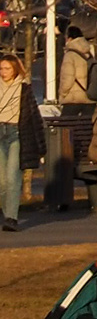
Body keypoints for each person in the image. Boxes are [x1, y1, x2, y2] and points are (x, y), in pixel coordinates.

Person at [0, 54, 28, 232]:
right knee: (2, 181)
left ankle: (11, 217)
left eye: (7, 68)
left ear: (15, 69)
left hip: (16, 133)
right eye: (1, 69)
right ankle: (6, 212)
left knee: (12, 177)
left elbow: (31, 115)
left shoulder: (23, 89)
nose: (4, 72)